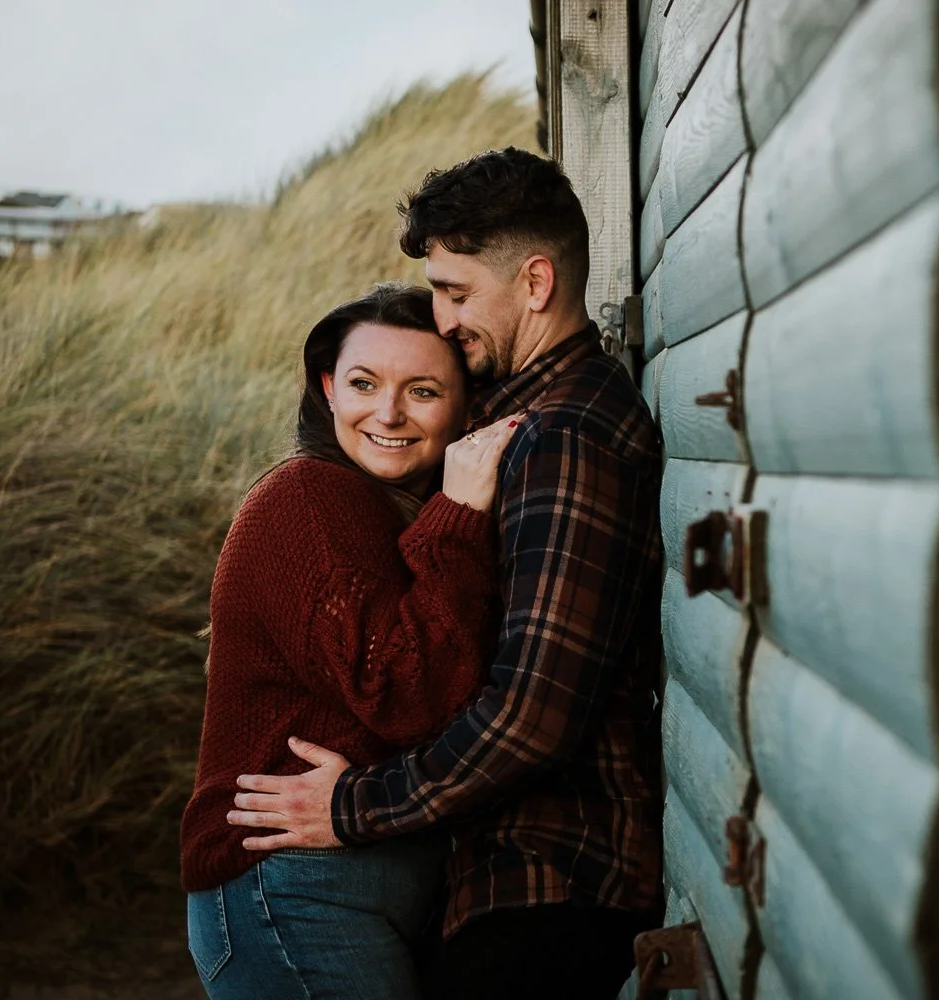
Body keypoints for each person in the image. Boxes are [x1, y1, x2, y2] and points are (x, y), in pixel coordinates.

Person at [227, 147, 666, 998]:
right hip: (502, 881)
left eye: (458, 293)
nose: (445, 317)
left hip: (546, 889)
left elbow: (533, 716)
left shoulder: (561, 437)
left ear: (535, 283)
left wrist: (354, 807)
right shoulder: (515, 420)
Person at [180, 283, 520, 999]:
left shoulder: (382, 509)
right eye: (364, 383)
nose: (388, 413)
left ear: (467, 406)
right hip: (292, 895)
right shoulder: (310, 498)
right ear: (329, 388)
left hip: (340, 895)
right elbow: (405, 691)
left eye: (423, 390)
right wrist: (459, 514)